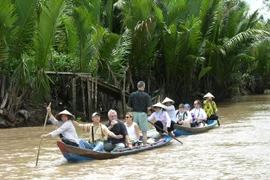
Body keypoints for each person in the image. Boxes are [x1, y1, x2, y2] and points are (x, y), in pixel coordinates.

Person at [127, 81, 152, 145]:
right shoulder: (146, 95)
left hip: (134, 114)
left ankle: (133, 144)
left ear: (137, 86)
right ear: (143, 87)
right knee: (144, 132)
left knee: (134, 130)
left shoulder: (132, 95)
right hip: (143, 114)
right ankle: (144, 145)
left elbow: (129, 106)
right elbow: (149, 107)